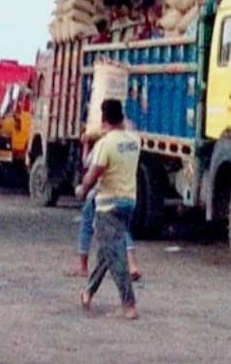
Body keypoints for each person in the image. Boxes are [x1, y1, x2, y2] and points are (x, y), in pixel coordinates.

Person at [77, 99, 140, 320]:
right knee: (106, 252)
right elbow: (131, 126)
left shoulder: (106, 144)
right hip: (128, 203)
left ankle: (129, 304)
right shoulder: (134, 140)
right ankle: (88, 292)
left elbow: (93, 174)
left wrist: (82, 190)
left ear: (104, 120)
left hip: (108, 205)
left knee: (115, 255)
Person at [66, 127, 141, 281]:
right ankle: (132, 264)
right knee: (122, 230)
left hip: (102, 196)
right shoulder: (130, 144)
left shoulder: (103, 145)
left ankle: (83, 266)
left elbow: (89, 166)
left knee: (87, 226)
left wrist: (86, 144)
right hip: (124, 195)